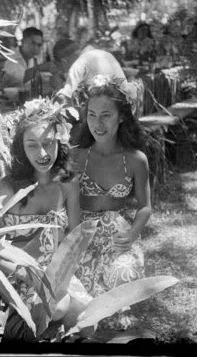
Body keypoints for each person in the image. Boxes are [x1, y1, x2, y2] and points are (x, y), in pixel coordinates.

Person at [0, 97, 80, 339]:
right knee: (60, 307)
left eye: (48, 143)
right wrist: (28, 275)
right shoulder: (7, 190)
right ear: (21, 147)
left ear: (60, 142)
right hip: (14, 278)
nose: (42, 153)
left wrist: (59, 277)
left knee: (86, 317)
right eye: (32, 145)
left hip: (54, 276)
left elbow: (74, 238)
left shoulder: (67, 184)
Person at [72, 74, 152, 330]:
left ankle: (116, 311)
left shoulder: (136, 159)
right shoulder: (75, 156)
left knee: (122, 273)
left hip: (116, 235)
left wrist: (131, 234)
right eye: (92, 115)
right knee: (80, 299)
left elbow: (145, 207)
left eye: (106, 114)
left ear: (122, 116)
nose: (98, 122)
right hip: (80, 233)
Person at [52, 39, 127, 105]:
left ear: (64, 61)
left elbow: (64, 100)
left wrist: (57, 87)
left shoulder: (79, 64)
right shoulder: (94, 53)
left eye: (60, 68)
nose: (61, 71)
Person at [0, 27, 57, 95]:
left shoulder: (35, 60)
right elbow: (17, 79)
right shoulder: (9, 57)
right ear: (23, 41)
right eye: (33, 43)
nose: (36, 48)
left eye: (39, 45)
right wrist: (39, 68)